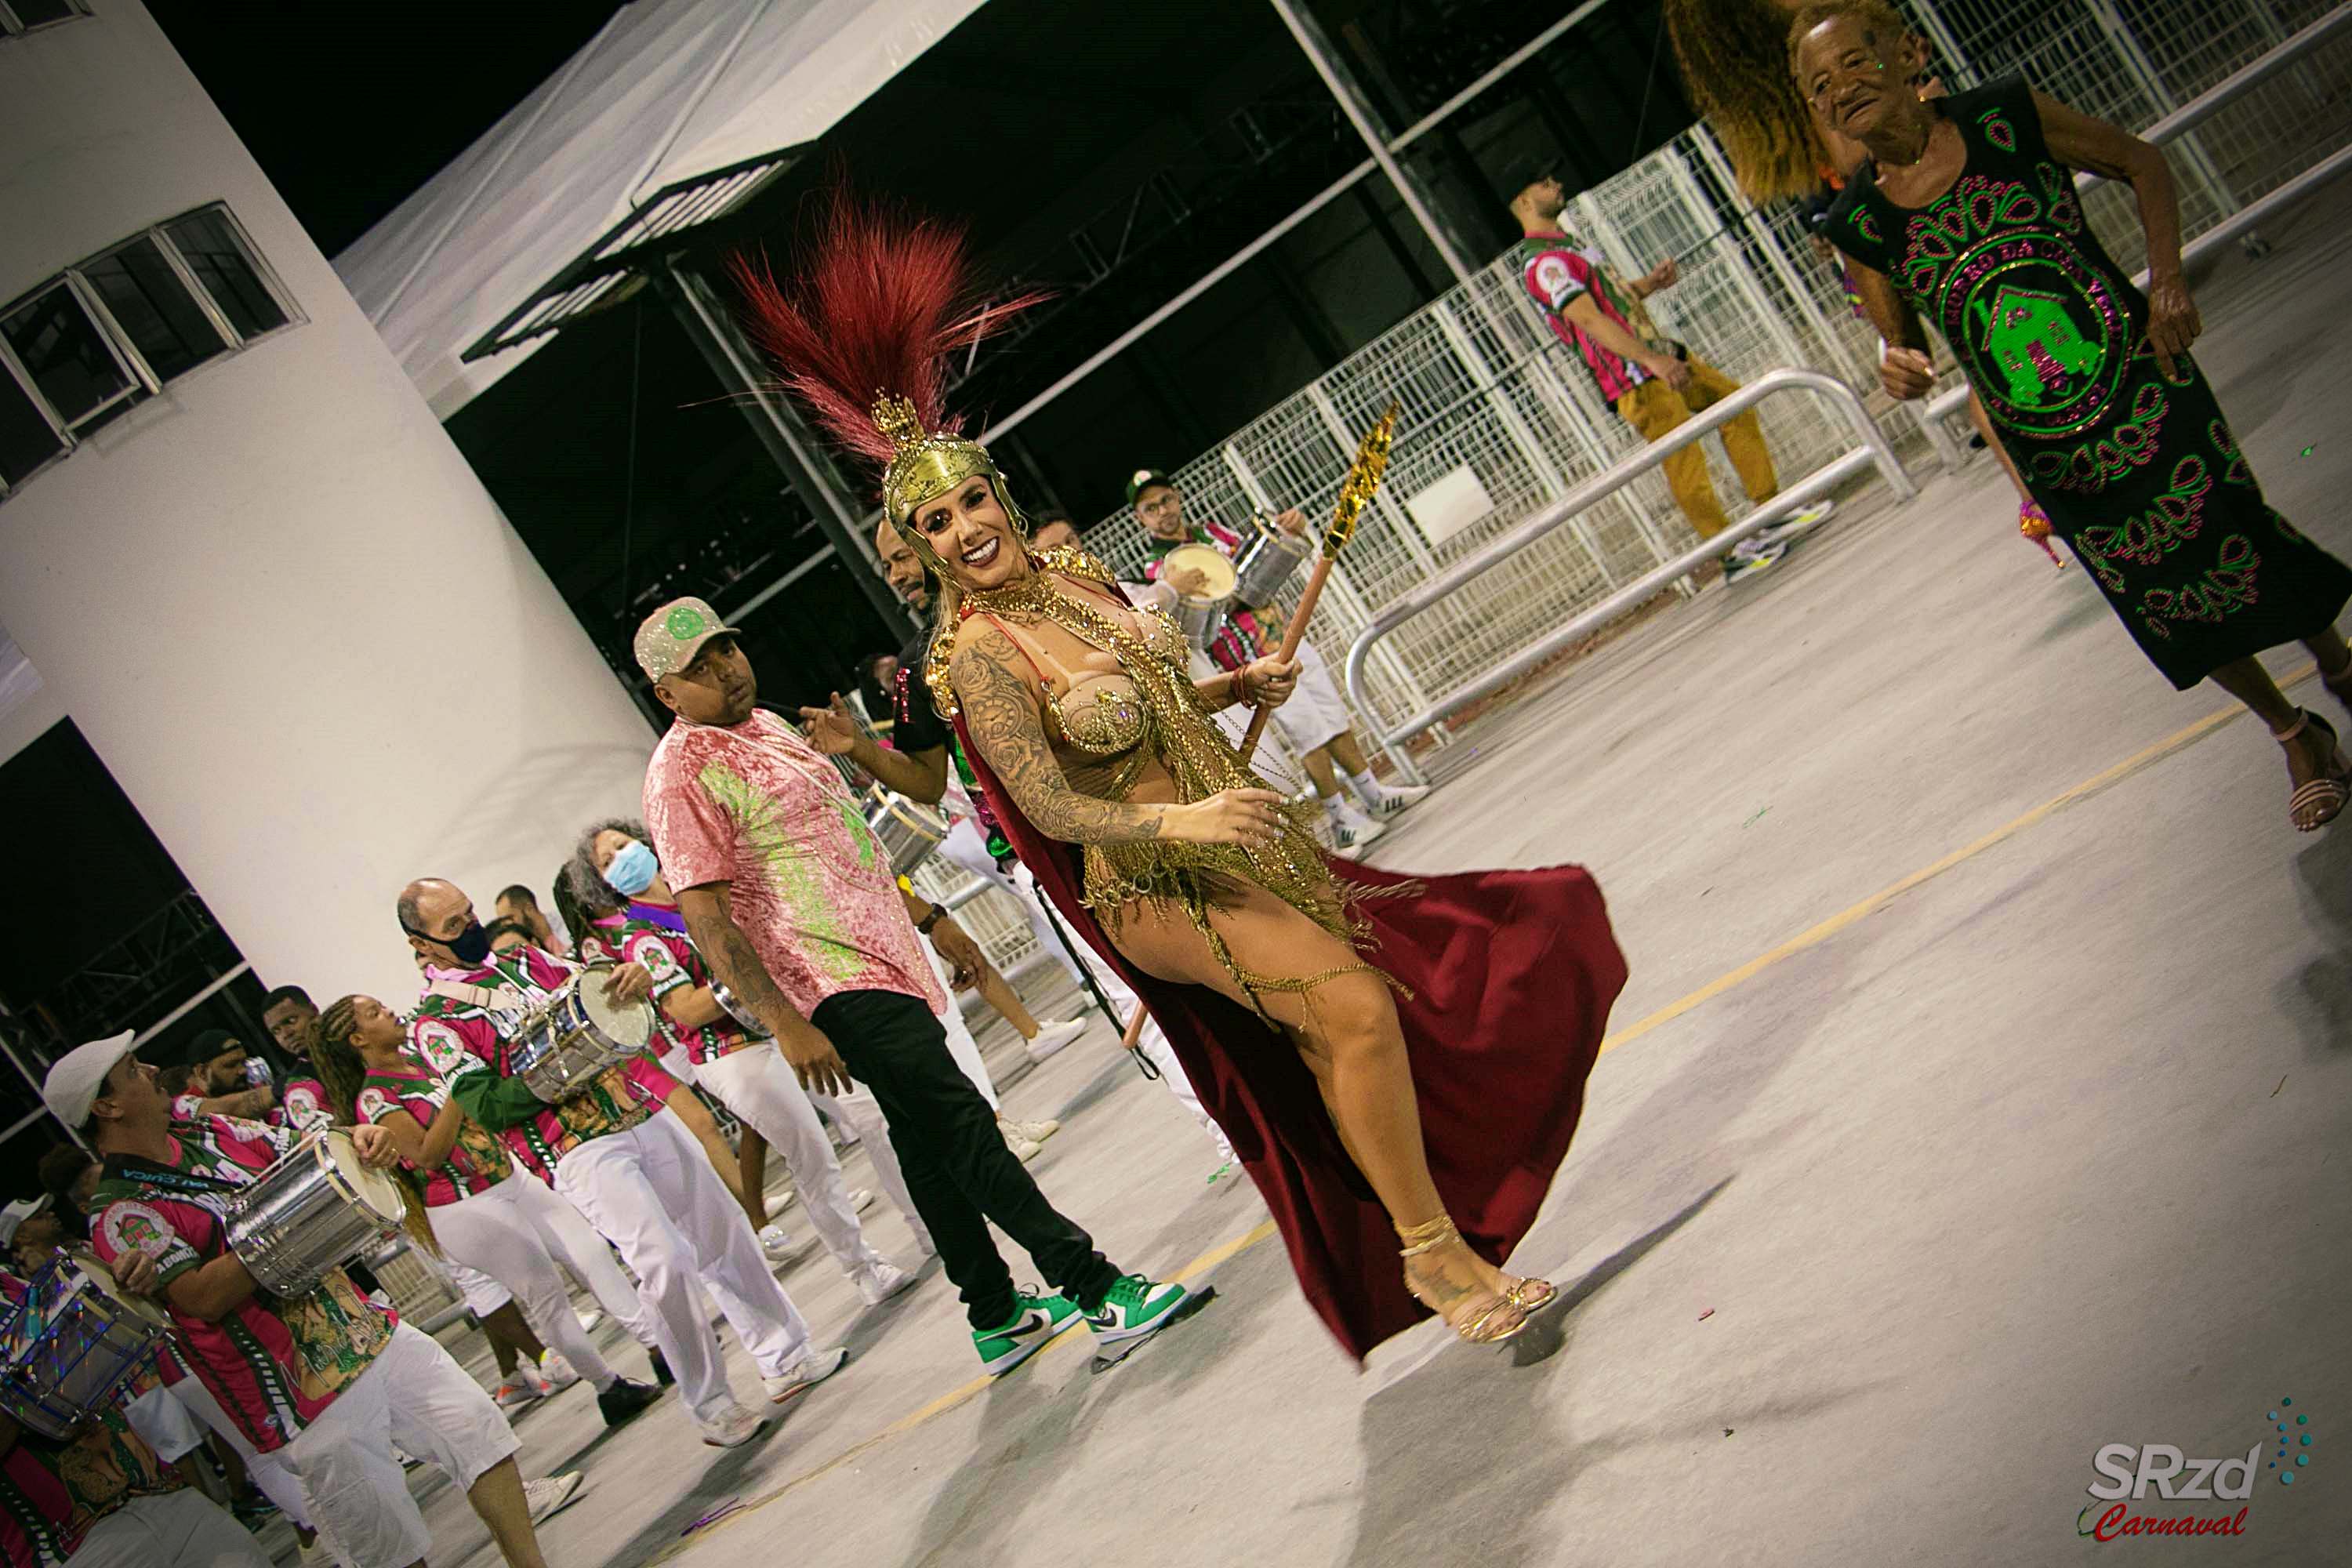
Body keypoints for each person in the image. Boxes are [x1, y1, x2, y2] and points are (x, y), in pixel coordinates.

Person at [735, 212, 1628, 1352]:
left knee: (1351, 1022)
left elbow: (1143, 699)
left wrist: (1230, 684)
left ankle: (1432, 1244)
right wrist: (1191, 813)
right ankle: (1430, 1255)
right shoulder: (972, 662)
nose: (962, 532)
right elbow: (1051, 807)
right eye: (933, 524)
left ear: (998, 495)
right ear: (915, 548)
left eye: (969, 504)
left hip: (1236, 833)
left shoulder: (1070, 576)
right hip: (1153, 881)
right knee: (1352, 1009)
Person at [1791, 1, 2352, 830]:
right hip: (2054, 449)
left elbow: (2141, 162)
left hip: (2143, 379)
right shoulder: (1860, 225)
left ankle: (2334, 660)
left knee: (2235, 530)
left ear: (1908, 54)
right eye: (1818, 86)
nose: (1840, 91)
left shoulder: (2003, 118)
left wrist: (2167, 279)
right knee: (2161, 593)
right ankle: (2293, 731)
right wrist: (1894, 366)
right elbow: (1901, 345)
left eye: (1853, 63)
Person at [633, 592, 1199, 1374]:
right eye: (700, 667)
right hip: (828, 977)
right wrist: (785, 1021)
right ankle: (1094, 1284)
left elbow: (843, 841)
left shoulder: (769, 727)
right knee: (962, 1120)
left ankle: (996, 1314)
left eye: (726, 649)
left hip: (888, 953)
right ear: (667, 691)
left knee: (924, 1141)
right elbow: (703, 910)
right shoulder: (679, 776)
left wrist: (930, 919)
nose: (726, 669)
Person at [54, 1032, 566, 1568]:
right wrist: (289, 1219)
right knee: (386, 1543)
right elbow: (202, 1298)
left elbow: (307, 1149)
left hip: (365, 1329)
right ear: (107, 1106)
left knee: (479, 1434)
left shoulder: (210, 1131)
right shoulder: (121, 1212)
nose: (154, 1069)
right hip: (297, 1395)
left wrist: (360, 1139)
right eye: (134, 1070)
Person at [397, 879, 844, 1446]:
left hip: (638, 1105)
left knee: (723, 1232)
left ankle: (785, 1357)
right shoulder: (436, 1021)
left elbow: (601, 1003)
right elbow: (485, 1104)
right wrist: (560, 1071)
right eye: (453, 927)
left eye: (470, 913)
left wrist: (629, 983)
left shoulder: (529, 961)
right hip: (575, 1144)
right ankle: (711, 1403)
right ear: (423, 944)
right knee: (663, 1261)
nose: (471, 930)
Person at [867, 514, 1238, 1176]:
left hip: (1166, 806)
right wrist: (860, 748)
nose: (897, 573)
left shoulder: (1060, 594)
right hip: (1056, 856)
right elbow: (928, 780)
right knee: (1140, 995)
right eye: (890, 562)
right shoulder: (927, 664)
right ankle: (1229, 1132)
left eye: (901, 556)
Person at [566, 828, 916, 1307]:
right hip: (732, 1052)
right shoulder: (641, 936)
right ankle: (862, 1267)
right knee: (813, 1156)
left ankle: (926, 1224)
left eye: (624, 844)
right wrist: (750, 976)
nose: (624, 857)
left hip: (788, 1024)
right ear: (604, 884)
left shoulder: (696, 893)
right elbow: (687, 1009)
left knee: (874, 1116)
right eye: (609, 861)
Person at [309, 993, 665, 1428]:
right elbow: (425, 1155)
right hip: (465, 1207)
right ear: (358, 1039)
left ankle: (658, 1346)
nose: (389, 1011)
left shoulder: (423, 1062)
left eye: (385, 1004)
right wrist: (460, 1094)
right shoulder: (375, 1100)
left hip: (511, 1178)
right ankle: (609, 1387)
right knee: (546, 1295)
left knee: (590, 1251)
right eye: (375, 1013)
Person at [1504, 162, 1835, 584]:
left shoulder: (1568, 245)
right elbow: (1587, 320)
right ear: (1525, 201)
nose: (1556, 184)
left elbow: (1612, 300)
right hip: (1636, 377)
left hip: (1658, 357)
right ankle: (1727, 551)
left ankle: (1770, 511)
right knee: (1684, 461)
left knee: (1735, 404)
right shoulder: (1545, 264)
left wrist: (1649, 285)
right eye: (1545, 182)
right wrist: (1650, 361)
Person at [1127, 471, 1430, 849]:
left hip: (1283, 631)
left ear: (1179, 497)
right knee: (1309, 732)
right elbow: (1199, 616)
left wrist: (1291, 532)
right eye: (1151, 508)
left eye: (1166, 500)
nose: (1163, 511)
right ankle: (1340, 818)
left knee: (1332, 715)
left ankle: (1373, 795)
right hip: (1248, 657)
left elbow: (1265, 565)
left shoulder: (1215, 534)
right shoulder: (1161, 570)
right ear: (1141, 519)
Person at [547, 865, 800, 1252]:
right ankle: (751, 1216)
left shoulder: (631, 916)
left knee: (747, 1119)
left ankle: (755, 1208)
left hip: (677, 1039)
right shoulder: (596, 943)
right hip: (661, 1048)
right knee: (712, 1125)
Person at [0, 1255, 270, 1568]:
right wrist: (41, 1367)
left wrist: (126, 1281)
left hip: (158, 1492)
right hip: (70, 1548)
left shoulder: (8, 1285)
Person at [255, 988, 335, 1135]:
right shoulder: (295, 1084)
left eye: (291, 1021)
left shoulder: (356, 1043)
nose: (286, 1034)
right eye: (276, 1031)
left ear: (313, 1010)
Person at [493, 885, 567, 958]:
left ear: (529, 909)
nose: (509, 924)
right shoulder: (527, 950)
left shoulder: (566, 923)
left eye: (510, 918)